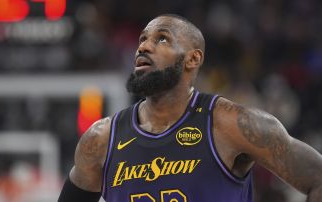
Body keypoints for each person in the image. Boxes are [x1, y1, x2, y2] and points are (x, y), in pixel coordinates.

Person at [58, 14, 322, 202]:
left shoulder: (233, 124)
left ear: (193, 59)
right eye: (142, 39)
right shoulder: (100, 139)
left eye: (162, 39)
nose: (144, 46)